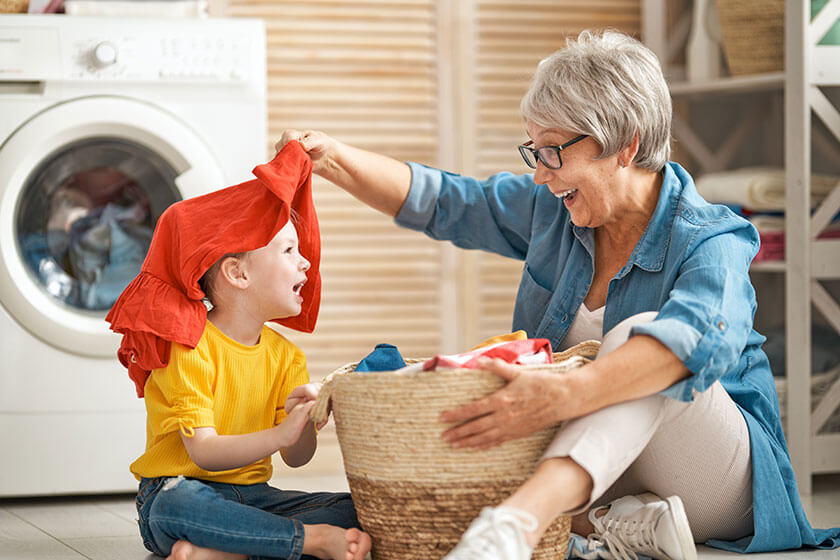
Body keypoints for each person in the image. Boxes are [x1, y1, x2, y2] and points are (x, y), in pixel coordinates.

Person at [276, 30, 840, 560]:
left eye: (553, 151)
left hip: (719, 480)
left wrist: (567, 396)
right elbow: (448, 202)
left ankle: (517, 525)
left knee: (634, 340)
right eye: (535, 152)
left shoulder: (712, 238)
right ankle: (630, 521)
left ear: (624, 143)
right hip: (604, 469)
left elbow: (694, 342)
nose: (542, 174)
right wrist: (333, 158)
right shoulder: (557, 212)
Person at [106, 142, 371, 560]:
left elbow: (296, 458)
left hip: (254, 498)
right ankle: (307, 542)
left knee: (357, 510)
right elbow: (204, 454)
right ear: (237, 273)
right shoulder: (188, 346)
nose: (305, 263)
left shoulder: (287, 356)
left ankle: (227, 551)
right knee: (177, 504)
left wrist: (304, 423)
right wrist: (280, 433)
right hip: (177, 492)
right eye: (288, 251)